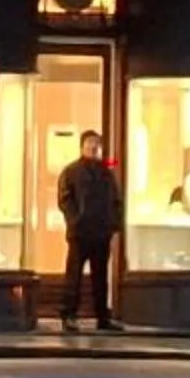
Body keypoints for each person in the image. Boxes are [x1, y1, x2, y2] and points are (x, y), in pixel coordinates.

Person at [55, 131, 124, 333]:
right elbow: (65, 199)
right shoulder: (72, 171)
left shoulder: (106, 173)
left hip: (101, 232)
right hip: (80, 233)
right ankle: (68, 315)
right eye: (90, 143)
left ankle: (103, 317)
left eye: (96, 144)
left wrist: (113, 224)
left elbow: (116, 200)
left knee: (100, 277)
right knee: (74, 275)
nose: (93, 147)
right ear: (82, 146)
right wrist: (75, 220)